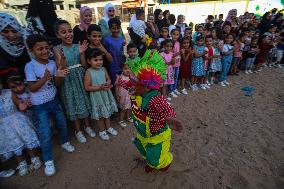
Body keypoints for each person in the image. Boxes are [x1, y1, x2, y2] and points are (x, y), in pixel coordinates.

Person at [25, 34, 75, 176]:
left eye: (47, 48)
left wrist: (61, 67)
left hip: (54, 100)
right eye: (40, 49)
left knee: (62, 123)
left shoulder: (52, 63)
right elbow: (32, 88)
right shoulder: (30, 66)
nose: (45, 51)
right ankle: (48, 160)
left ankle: (64, 142)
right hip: (39, 106)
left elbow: (57, 84)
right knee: (45, 133)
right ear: (31, 51)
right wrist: (44, 79)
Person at [127, 49, 183, 173]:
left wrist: (169, 119)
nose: (131, 82)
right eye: (132, 79)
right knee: (143, 148)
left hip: (157, 135)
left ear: (147, 86)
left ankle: (164, 163)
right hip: (143, 132)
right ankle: (149, 160)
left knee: (157, 159)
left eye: (135, 81)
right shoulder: (137, 91)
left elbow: (165, 108)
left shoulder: (153, 99)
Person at [53, 20, 94, 144]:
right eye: (63, 32)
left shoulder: (78, 46)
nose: (68, 34)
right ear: (57, 35)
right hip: (67, 81)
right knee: (72, 104)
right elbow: (61, 68)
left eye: (70, 31)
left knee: (84, 101)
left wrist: (81, 53)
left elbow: (84, 66)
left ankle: (87, 126)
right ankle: (78, 130)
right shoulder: (57, 49)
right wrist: (63, 59)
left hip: (80, 79)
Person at [1, 78, 41, 176]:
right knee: (15, 145)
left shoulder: (9, 93)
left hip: (18, 121)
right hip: (4, 127)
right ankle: (22, 163)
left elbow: (19, 104)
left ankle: (34, 158)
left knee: (27, 140)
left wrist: (23, 105)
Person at [84, 48, 118, 141]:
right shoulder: (88, 72)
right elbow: (87, 87)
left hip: (106, 94)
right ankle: (102, 131)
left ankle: (109, 127)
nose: (99, 62)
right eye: (95, 60)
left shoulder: (103, 69)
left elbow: (108, 79)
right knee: (101, 116)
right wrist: (100, 87)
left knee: (108, 113)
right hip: (97, 97)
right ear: (89, 61)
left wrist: (108, 82)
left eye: (100, 59)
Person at [0, 13, 30, 88]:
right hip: (8, 88)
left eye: (14, 31)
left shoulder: (27, 41)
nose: (11, 35)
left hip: (30, 84)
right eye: (5, 31)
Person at [103, 18, 125, 84]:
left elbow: (121, 52)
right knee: (114, 83)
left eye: (118, 28)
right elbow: (105, 53)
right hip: (111, 66)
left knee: (122, 83)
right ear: (110, 29)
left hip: (120, 65)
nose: (116, 30)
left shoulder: (121, 39)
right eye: (113, 28)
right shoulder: (106, 40)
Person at [115, 63, 132, 128]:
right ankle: (121, 120)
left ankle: (128, 117)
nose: (128, 70)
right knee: (123, 109)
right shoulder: (120, 77)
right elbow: (116, 87)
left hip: (129, 96)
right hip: (123, 96)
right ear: (122, 69)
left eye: (129, 68)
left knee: (129, 108)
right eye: (125, 69)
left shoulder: (131, 76)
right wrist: (117, 96)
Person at [168, 29, 181, 97]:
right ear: (171, 34)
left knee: (176, 77)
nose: (175, 36)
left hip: (177, 64)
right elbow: (170, 54)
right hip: (172, 64)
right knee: (171, 77)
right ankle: (170, 90)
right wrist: (179, 53)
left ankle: (174, 88)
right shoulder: (170, 43)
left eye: (177, 34)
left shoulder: (178, 43)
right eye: (174, 34)